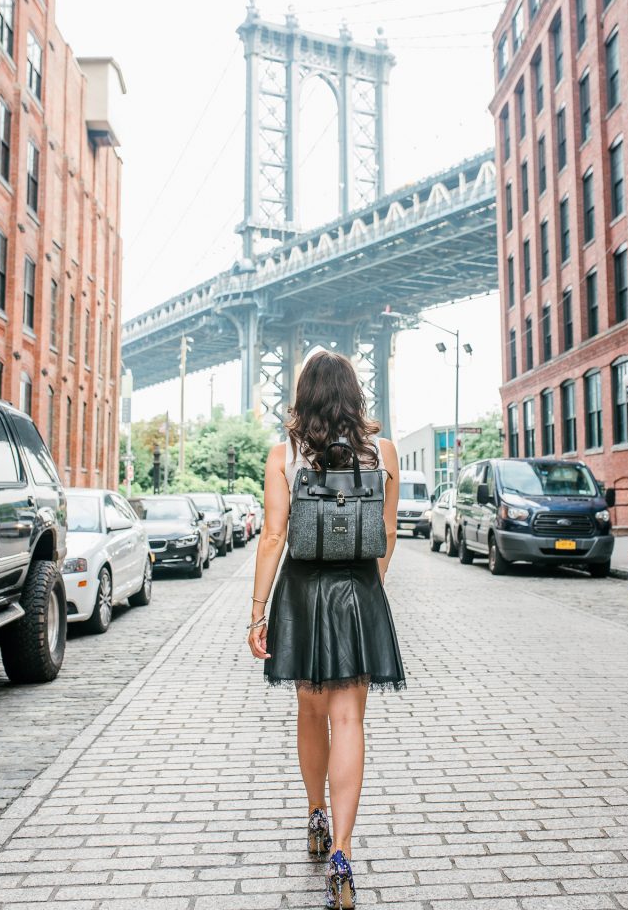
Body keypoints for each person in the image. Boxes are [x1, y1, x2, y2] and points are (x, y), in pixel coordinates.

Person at [247, 350, 405, 909]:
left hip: (302, 592)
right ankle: (342, 850)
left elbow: (272, 536)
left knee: (311, 713)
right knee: (349, 719)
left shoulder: (283, 455)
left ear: (304, 396)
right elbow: (386, 537)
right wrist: (366, 586)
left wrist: (258, 610)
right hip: (358, 591)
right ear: (353, 394)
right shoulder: (382, 452)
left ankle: (315, 817)